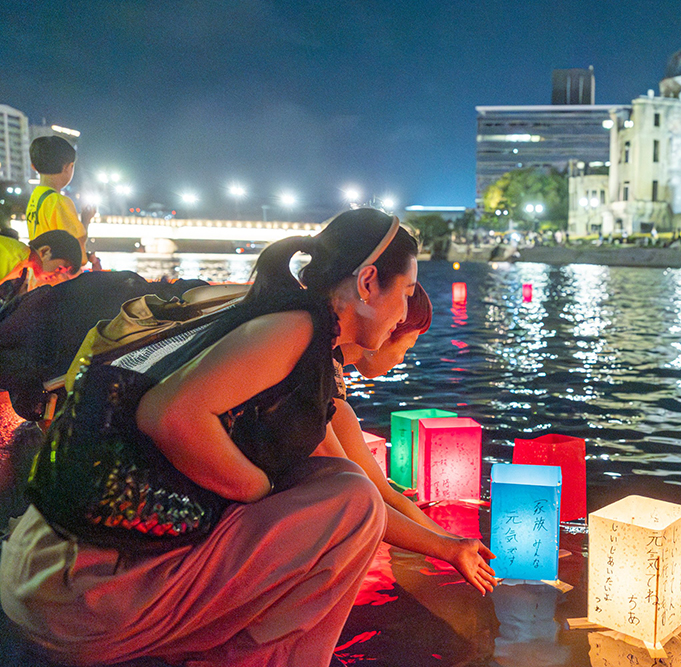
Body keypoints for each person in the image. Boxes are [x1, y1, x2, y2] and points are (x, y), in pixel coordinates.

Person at [0, 208, 493, 666]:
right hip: (79, 596)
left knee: (342, 489)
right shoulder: (295, 329)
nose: (404, 308)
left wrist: (449, 547)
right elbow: (170, 414)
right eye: (406, 290)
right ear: (368, 282)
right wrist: (257, 492)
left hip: (49, 575)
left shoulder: (288, 335)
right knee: (351, 502)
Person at [324, 284, 497, 574]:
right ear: (385, 330)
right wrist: (447, 546)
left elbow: (385, 494)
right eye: (407, 347)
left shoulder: (323, 366)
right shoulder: (332, 400)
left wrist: (452, 541)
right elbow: (378, 495)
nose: (401, 359)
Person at [25, 135, 95, 268]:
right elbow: (77, 253)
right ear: (68, 167)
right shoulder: (60, 202)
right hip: (59, 282)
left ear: (33, 167)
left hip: (38, 279)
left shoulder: (35, 197)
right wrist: (86, 221)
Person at [0, 229, 83, 287]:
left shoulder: (20, 264)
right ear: (45, 251)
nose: (56, 276)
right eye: (59, 269)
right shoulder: (9, 255)